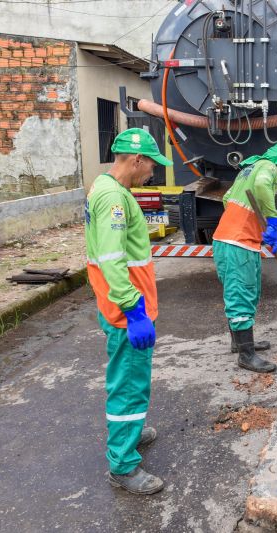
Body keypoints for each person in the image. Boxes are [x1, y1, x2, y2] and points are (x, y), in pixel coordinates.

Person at [85, 128, 173, 495]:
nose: (153, 171)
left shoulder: (107, 189)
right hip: (127, 311)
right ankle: (122, 465)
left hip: (127, 306)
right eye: (151, 163)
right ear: (136, 159)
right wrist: (134, 310)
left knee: (132, 380)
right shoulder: (114, 200)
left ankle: (131, 433)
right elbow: (111, 258)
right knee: (128, 384)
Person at [212, 141, 277, 374]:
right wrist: (272, 219)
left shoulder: (247, 170)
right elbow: (262, 185)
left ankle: (240, 343)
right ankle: (246, 355)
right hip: (237, 243)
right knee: (241, 295)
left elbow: (227, 198)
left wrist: (246, 222)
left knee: (244, 293)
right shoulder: (268, 167)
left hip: (231, 240)